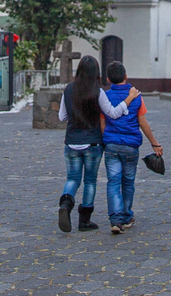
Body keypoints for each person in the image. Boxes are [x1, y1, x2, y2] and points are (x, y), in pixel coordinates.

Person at [57, 55, 134, 233]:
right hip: (92, 143)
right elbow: (112, 113)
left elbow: (62, 116)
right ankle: (84, 220)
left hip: (72, 142)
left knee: (72, 178)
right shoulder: (98, 92)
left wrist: (75, 115)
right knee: (90, 181)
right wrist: (128, 100)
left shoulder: (69, 89)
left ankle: (66, 204)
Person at [100, 62, 162, 235]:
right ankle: (127, 216)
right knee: (128, 182)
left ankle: (115, 219)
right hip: (131, 145)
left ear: (108, 79)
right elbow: (143, 123)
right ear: (126, 77)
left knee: (113, 181)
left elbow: (102, 123)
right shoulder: (136, 97)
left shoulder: (105, 96)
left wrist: (107, 140)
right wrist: (154, 143)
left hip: (112, 145)